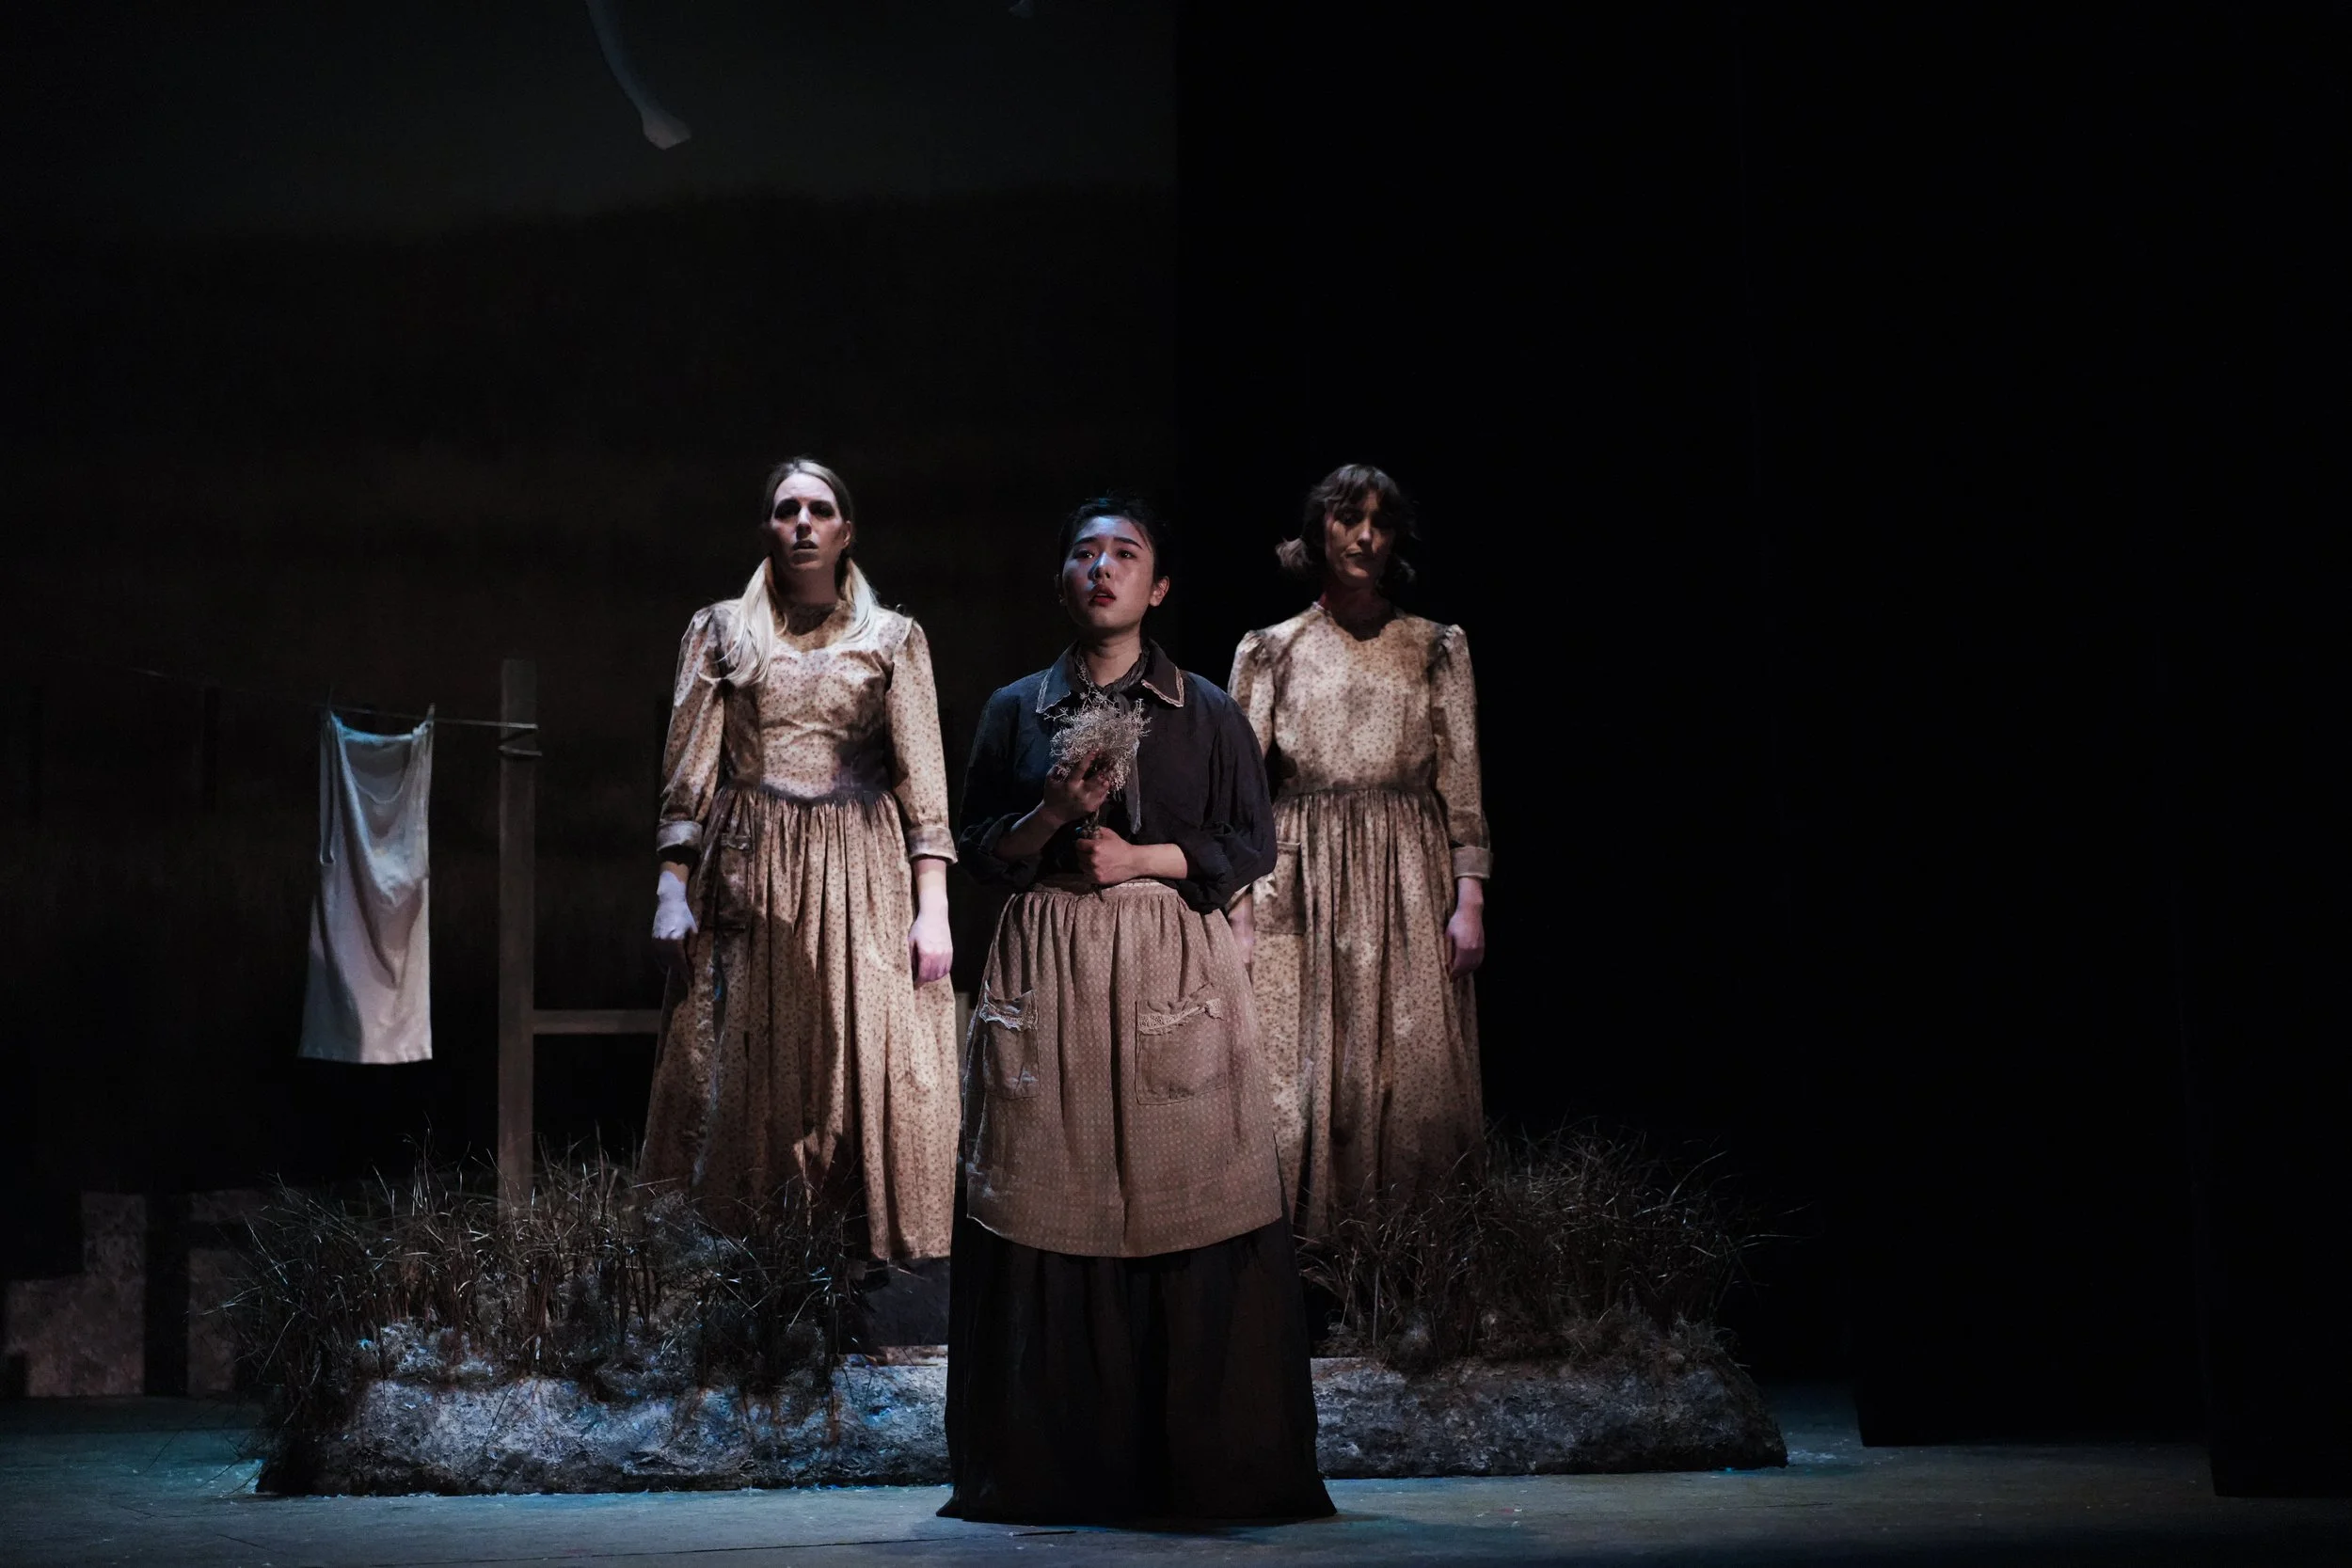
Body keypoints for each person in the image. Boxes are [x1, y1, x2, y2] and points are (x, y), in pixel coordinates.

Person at [944, 495, 1332, 1523]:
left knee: (1188, 1182)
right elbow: (981, 845)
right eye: (1083, 554)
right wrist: (1055, 816)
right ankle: (1050, 1464)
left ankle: (1202, 1462)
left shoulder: (1203, 708)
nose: (1101, 569)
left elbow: (1250, 842)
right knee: (1044, 1185)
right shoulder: (1015, 708)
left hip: (1168, 964)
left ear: (1156, 586)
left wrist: (1140, 856)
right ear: (1061, 580)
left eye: (1124, 554)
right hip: (1053, 962)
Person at [641, 458, 959, 1268]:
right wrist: (670, 889)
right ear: (768, 530)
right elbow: (690, 773)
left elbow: (923, 785)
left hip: (862, 868)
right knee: (733, 1055)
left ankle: (865, 1261)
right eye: (788, 510)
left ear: (846, 531)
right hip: (753, 865)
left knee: (866, 1046)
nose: (804, 523)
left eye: (821, 510)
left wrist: (935, 908)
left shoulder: (893, 640)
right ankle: (735, 1261)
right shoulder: (719, 631)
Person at [1228, 463, 1491, 1239]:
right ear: (1320, 531)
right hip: (1299, 878)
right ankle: (1300, 1272)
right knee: (1300, 1075)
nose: (1365, 535)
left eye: (1380, 520)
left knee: (1408, 1078)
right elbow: (1237, 791)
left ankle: (1412, 1268)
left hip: (1408, 881)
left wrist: (1470, 895)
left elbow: (1463, 780)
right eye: (1349, 518)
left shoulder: (1433, 646)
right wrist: (1238, 909)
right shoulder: (1270, 650)